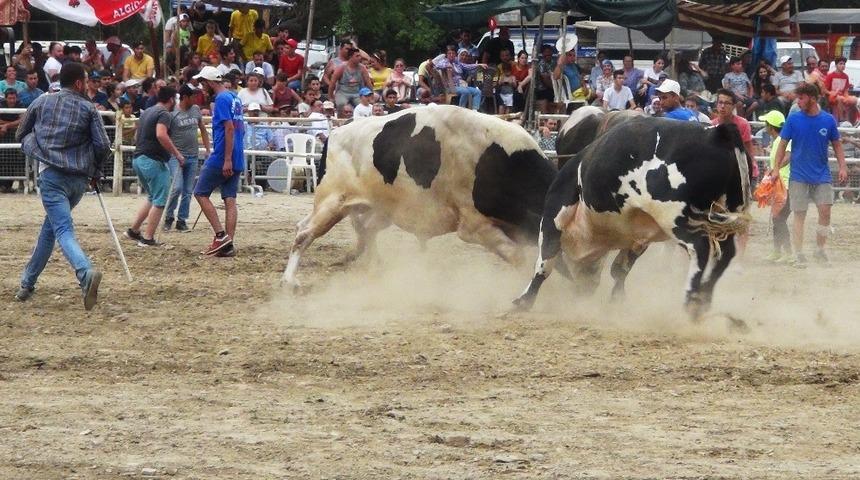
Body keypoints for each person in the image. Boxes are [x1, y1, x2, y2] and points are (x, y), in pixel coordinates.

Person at [14, 62, 111, 310]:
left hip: (51, 177)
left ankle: (85, 272)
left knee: (62, 230)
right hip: (78, 180)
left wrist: (35, 148)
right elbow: (103, 146)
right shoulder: (89, 109)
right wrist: (96, 172)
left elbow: (21, 133)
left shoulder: (43, 101)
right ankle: (27, 283)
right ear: (79, 83)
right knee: (51, 229)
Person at [773, 83, 847, 266]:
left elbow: (837, 144)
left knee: (825, 212)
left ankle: (819, 250)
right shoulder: (794, 119)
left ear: (812, 98)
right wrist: (776, 169)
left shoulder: (828, 120)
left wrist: (843, 166)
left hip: (822, 174)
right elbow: (782, 144)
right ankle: (799, 254)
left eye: (802, 98)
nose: (798, 102)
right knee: (800, 214)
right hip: (798, 175)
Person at [193, 66, 245, 257]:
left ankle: (220, 235)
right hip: (237, 153)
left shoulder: (221, 99)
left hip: (224, 153)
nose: (201, 86)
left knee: (200, 192)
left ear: (209, 82)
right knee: (230, 198)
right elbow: (238, 127)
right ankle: (228, 243)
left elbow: (229, 128)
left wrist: (227, 159)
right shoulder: (234, 97)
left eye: (202, 82)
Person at [125, 86, 184, 247]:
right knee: (160, 199)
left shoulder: (148, 111)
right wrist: (177, 154)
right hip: (152, 160)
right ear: (171, 99)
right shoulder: (164, 114)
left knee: (152, 196)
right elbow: (161, 134)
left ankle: (134, 230)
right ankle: (148, 237)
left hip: (139, 158)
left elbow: (138, 134)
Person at [165, 84, 211, 232]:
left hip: (192, 155)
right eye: (192, 96)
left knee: (188, 190)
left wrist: (208, 149)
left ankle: (182, 220)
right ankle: (169, 215)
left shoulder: (196, 110)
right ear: (185, 97)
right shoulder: (172, 114)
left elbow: (202, 129)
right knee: (177, 187)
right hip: (175, 156)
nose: (195, 99)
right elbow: (165, 134)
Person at [759, 110, 792, 262]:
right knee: (777, 218)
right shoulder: (778, 141)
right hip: (780, 185)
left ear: (770, 126)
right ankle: (778, 251)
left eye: (766, 124)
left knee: (779, 218)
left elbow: (788, 156)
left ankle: (787, 252)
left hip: (786, 185)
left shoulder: (783, 140)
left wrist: (775, 169)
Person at [433, 46, 486, 111]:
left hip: (461, 86)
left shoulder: (457, 63)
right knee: (466, 92)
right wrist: (447, 65)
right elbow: (437, 66)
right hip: (451, 87)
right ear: (447, 55)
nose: (451, 55)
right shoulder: (444, 61)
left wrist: (478, 65)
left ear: (455, 55)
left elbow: (466, 66)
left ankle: (474, 111)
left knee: (478, 92)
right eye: (449, 53)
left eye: (453, 53)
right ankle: (461, 110)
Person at [825, 57, 852, 122]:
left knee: (851, 100)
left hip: (841, 96)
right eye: (840, 64)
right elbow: (825, 90)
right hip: (832, 96)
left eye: (844, 64)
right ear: (836, 65)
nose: (843, 65)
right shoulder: (830, 76)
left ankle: (851, 121)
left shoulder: (846, 76)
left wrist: (847, 98)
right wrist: (831, 93)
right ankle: (842, 119)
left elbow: (845, 90)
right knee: (840, 99)